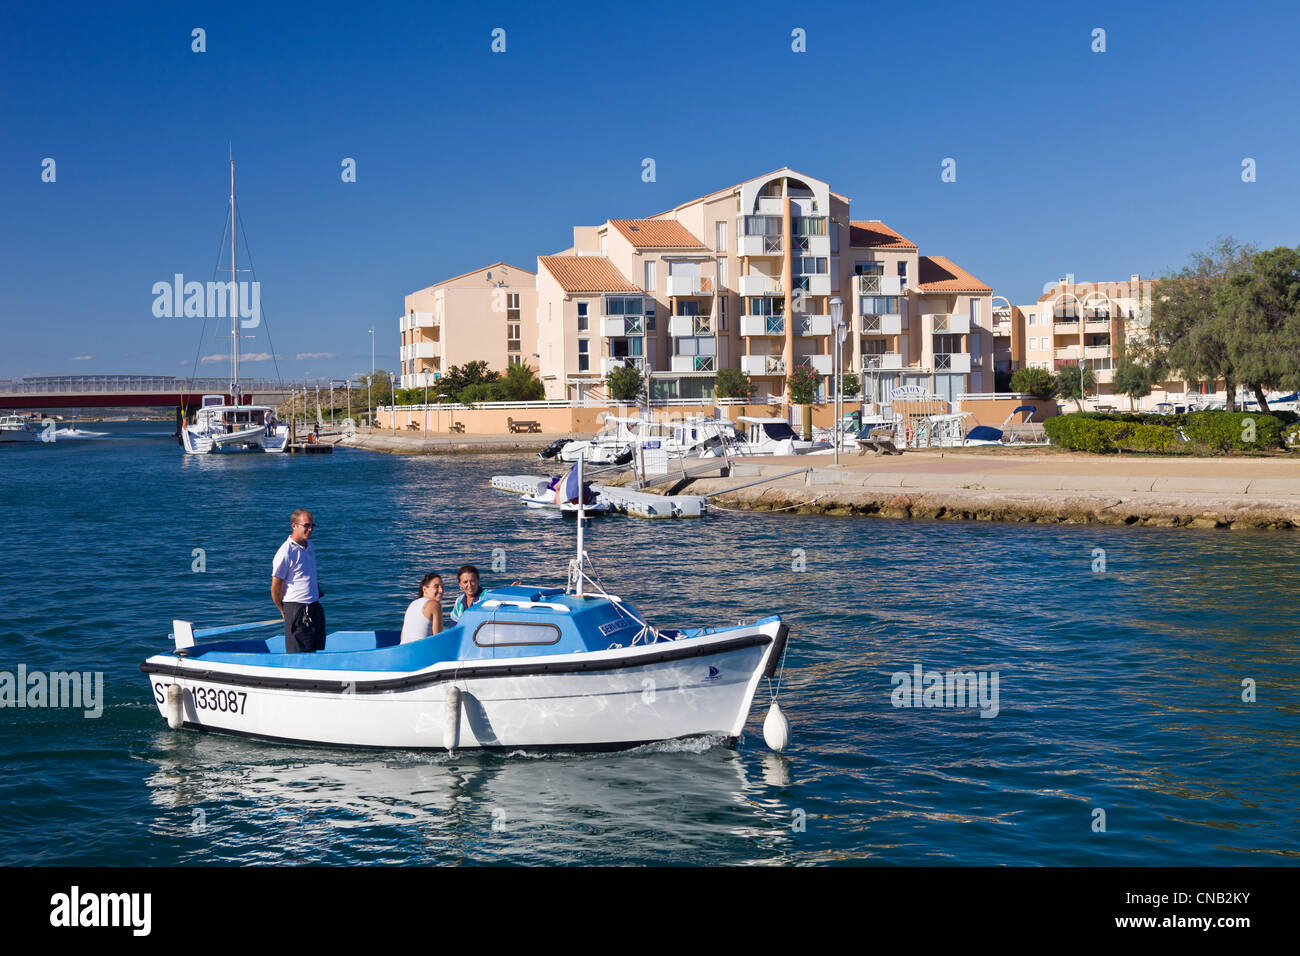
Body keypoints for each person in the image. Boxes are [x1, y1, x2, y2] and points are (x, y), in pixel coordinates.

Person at [271, 508, 326, 652]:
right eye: (306, 525)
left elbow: (307, 574)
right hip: (297, 608)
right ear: (294, 525)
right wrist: (283, 610)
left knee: (317, 648)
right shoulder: (286, 552)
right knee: (298, 652)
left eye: (312, 525)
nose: (310, 529)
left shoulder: (310, 546)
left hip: (313, 606)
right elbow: (276, 586)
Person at [400, 572, 444, 644]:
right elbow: (438, 638)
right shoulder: (434, 604)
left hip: (403, 649)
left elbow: (402, 637)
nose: (441, 590)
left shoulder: (412, 604)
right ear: (424, 589)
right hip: (420, 651)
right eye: (436, 586)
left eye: (442, 587)